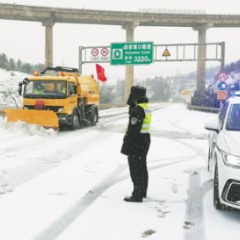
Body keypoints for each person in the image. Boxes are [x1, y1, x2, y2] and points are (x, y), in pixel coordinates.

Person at [121, 86, 152, 203]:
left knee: (135, 168)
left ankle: (137, 194)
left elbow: (133, 130)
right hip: (144, 139)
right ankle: (142, 191)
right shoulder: (145, 107)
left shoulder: (137, 110)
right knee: (142, 166)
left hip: (137, 141)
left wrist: (128, 144)